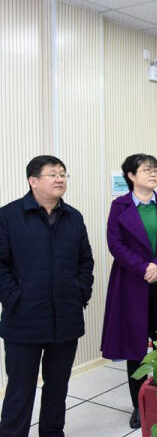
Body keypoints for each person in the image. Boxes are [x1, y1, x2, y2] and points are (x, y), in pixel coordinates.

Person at [0, 155, 94, 437]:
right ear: (33, 181)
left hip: (65, 317)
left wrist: (80, 292)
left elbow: (85, 261)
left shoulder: (73, 217)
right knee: (20, 390)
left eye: (63, 174)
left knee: (57, 388)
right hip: (23, 319)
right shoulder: (9, 216)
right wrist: (14, 297)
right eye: (53, 174)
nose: (60, 179)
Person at [100, 154, 157, 429]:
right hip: (132, 285)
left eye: (156, 170)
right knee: (135, 349)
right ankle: (139, 406)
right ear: (131, 176)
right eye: (147, 170)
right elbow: (115, 243)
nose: (154, 174)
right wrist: (143, 268)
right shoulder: (120, 206)